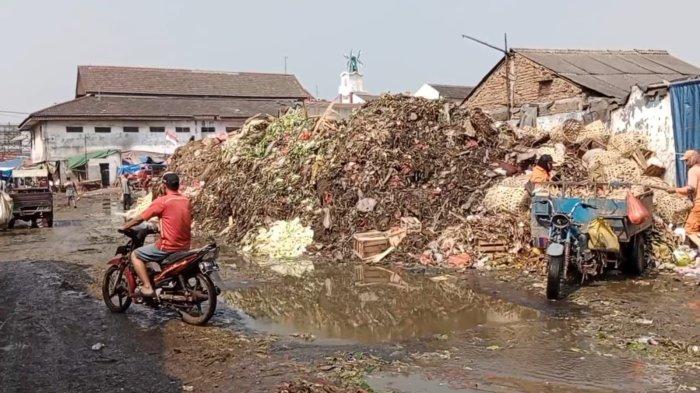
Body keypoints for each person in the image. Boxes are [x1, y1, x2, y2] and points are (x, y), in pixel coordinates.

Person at [121, 173, 191, 297]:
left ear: (164, 186)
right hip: (185, 246)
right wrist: (161, 227)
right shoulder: (185, 200)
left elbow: (141, 218)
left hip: (168, 246)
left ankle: (147, 287)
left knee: (135, 255)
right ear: (177, 185)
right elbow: (177, 219)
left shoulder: (162, 201)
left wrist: (126, 226)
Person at [670, 150, 700, 233]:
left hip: (699, 206)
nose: (685, 163)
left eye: (687, 160)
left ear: (693, 159)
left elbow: (691, 189)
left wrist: (675, 190)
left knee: (689, 231)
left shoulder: (693, 170)